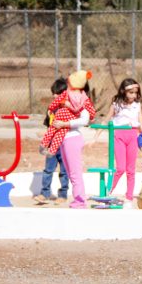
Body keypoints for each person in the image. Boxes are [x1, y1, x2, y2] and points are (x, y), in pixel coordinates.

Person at [49, 72, 96, 209]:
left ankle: (80, 201)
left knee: (75, 173)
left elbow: (84, 120)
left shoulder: (81, 101)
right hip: (65, 139)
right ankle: (78, 200)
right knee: (71, 173)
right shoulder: (68, 102)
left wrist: (65, 124)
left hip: (72, 139)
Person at [40, 69, 96, 156]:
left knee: (54, 132)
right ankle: (48, 149)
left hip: (69, 132)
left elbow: (84, 120)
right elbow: (90, 111)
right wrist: (92, 116)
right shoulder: (81, 98)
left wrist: (52, 109)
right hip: (67, 128)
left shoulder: (74, 96)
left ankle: (46, 147)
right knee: (56, 134)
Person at [106, 78, 142, 202]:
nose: (134, 95)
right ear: (124, 91)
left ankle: (129, 196)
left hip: (133, 135)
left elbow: (141, 123)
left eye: (136, 92)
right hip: (119, 135)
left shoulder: (137, 105)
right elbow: (106, 119)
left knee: (130, 170)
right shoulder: (117, 104)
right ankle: (108, 191)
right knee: (120, 168)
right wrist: (95, 137)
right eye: (131, 92)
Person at [34, 77, 70, 203]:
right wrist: (43, 135)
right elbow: (48, 126)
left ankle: (63, 195)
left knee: (64, 171)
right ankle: (44, 193)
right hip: (51, 146)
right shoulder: (51, 110)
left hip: (65, 145)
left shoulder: (70, 109)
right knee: (48, 170)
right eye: (53, 93)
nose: (55, 95)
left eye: (58, 93)